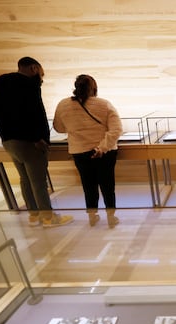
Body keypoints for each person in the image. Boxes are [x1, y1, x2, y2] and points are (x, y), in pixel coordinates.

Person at [0, 56, 73, 227]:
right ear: (33, 68)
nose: (41, 77)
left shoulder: (1, 81)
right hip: (31, 143)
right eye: (41, 72)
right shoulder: (29, 85)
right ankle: (48, 217)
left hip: (9, 141)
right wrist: (36, 138)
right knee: (38, 181)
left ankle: (34, 215)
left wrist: (4, 126)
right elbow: (33, 114)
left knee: (25, 179)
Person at [53, 74, 123, 228]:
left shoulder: (63, 105)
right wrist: (102, 148)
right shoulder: (104, 104)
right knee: (107, 185)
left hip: (79, 151)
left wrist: (75, 129)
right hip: (105, 153)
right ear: (94, 88)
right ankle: (111, 218)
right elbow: (116, 129)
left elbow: (59, 127)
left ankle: (92, 216)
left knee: (88, 185)